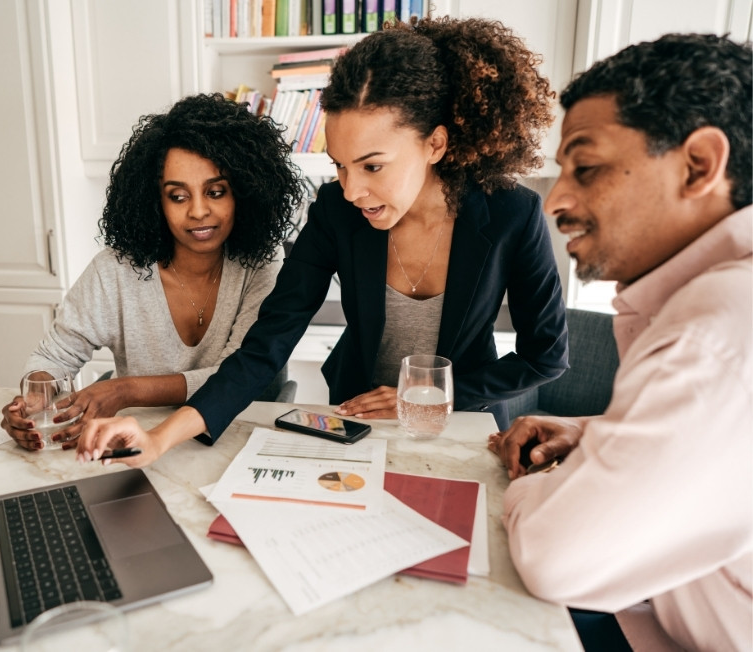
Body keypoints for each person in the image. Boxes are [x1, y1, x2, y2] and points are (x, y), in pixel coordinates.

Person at [76, 17, 568, 461]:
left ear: (434, 144)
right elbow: (266, 345)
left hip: (457, 420)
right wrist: (161, 437)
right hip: (355, 418)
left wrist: (434, 395)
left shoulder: (512, 214)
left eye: (372, 166)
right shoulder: (336, 209)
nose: (351, 190)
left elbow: (545, 355)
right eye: (340, 166)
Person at [487, 33, 752, 651]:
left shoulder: (714, 330)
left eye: (586, 168)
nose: (555, 200)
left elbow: (556, 557)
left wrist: (533, 488)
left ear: (698, 165)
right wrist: (595, 435)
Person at [1, 93, 303, 450]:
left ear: (244, 192)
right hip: (137, 440)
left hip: (235, 436)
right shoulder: (115, 270)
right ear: (155, 200)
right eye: (178, 196)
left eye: (216, 191)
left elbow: (238, 373)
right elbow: (54, 356)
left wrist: (125, 389)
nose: (198, 211)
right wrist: (35, 398)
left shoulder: (261, 262)